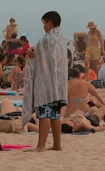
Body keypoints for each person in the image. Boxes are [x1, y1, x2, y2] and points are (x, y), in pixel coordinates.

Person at [22, 10, 68, 152]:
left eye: (44, 23)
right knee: (54, 113)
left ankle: (41, 145)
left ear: (49, 23)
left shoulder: (47, 40)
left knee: (44, 112)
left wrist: (29, 52)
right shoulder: (61, 39)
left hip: (46, 83)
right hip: (58, 83)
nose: (43, 27)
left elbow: (33, 52)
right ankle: (57, 144)